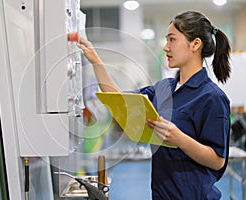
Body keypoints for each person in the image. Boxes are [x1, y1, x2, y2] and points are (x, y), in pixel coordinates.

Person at [78, 10, 231, 199]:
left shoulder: (212, 97)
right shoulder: (164, 88)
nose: (166, 47)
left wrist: (180, 139)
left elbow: (217, 160)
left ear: (195, 44)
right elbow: (119, 100)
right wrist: (95, 60)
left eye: (172, 40)